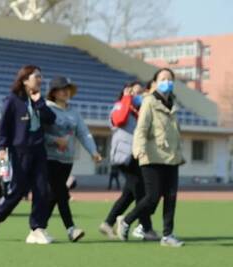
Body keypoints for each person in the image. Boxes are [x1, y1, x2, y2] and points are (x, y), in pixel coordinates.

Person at [0, 65, 56, 244]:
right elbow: (4, 126)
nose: (40, 79)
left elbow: (51, 119)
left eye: (41, 76)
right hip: (19, 151)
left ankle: (37, 229)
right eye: (36, 76)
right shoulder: (12, 100)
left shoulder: (39, 100)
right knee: (19, 189)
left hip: (38, 150)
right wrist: (1, 148)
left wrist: (39, 102)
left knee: (41, 190)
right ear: (24, 80)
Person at [117, 68, 185, 247]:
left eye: (170, 79)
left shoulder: (173, 104)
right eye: (163, 79)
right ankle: (126, 221)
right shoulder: (149, 102)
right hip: (152, 156)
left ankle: (168, 235)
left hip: (171, 158)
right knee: (152, 197)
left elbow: (175, 132)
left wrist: (180, 153)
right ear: (155, 82)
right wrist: (138, 149)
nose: (167, 82)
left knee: (171, 196)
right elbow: (141, 128)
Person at [44, 76, 102, 242]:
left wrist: (93, 151)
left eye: (67, 88)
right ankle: (71, 228)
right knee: (61, 192)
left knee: (54, 195)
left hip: (67, 160)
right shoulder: (46, 108)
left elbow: (84, 133)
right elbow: (38, 133)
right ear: (53, 92)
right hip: (49, 159)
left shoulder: (74, 112)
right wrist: (55, 140)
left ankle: (39, 227)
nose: (66, 91)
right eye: (62, 89)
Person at [99, 81, 157, 241]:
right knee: (141, 191)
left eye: (141, 93)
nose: (138, 96)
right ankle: (146, 228)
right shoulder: (120, 105)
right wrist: (126, 98)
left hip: (136, 156)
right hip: (124, 156)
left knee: (130, 194)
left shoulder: (137, 112)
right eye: (135, 93)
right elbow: (118, 120)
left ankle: (108, 223)